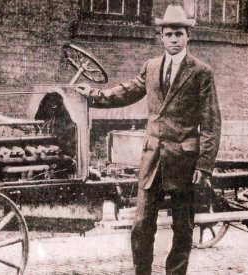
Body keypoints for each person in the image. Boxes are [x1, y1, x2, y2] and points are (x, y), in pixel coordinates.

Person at [76, 5, 221, 275]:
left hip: (183, 160)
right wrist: (94, 94)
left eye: (179, 33)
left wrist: (204, 165)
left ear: (188, 36)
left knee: (182, 227)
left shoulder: (201, 72)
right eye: (169, 34)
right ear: (161, 37)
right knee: (141, 224)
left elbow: (211, 122)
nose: (174, 39)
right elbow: (127, 91)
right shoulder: (151, 67)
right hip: (152, 158)